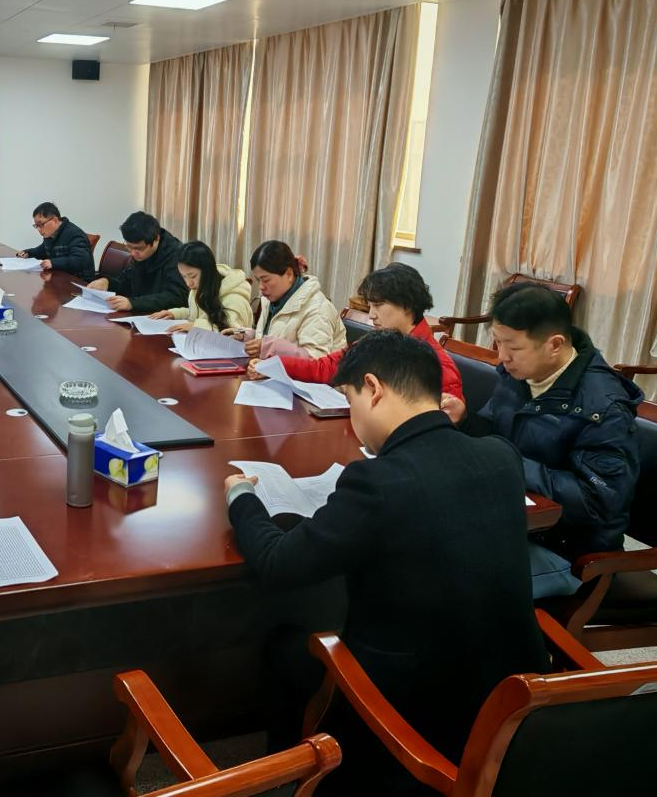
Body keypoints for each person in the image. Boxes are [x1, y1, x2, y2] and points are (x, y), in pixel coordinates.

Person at [225, 331, 548, 794]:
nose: (354, 419)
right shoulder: (500, 456)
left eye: (350, 401)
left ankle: (299, 779)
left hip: (414, 714)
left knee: (286, 645)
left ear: (374, 389)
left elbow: (278, 563)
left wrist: (241, 497)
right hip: (511, 702)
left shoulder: (377, 481)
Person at [442, 283, 643, 591]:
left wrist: (509, 463)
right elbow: (494, 433)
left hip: (573, 555)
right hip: (513, 525)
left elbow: (598, 502)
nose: (502, 357)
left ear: (555, 344)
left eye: (513, 348)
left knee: (450, 579)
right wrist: (465, 420)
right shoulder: (519, 375)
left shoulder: (604, 408)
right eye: (498, 343)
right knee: (424, 540)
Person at [258, 263, 463, 402]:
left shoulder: (438, 366)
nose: (371, 315)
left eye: (378, 305)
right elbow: (325, 368)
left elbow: (443, 422)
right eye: (370, 306)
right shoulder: (376, 342)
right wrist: (273, 365)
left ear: (407, 305)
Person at [224, 240, 345, 358]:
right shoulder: (273, 299)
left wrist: (268, 347)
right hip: (275, 370)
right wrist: (249, 337)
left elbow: (316, 361)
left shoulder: (318, 309)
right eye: (258, 280)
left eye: (266, 280)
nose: (260, 287)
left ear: (289, 274)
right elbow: (279, 335)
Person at [85, 211, 188, 313]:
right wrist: (107, 282)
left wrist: (133, 303)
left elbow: (176, 297)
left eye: (138, 248)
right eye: (129, 247)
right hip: (139, 314)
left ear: (156, 239)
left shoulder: (179, 256)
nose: (133, 254)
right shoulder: (141, 254)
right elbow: (127, 281)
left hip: (163, 318)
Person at [146, 240, 252, 333]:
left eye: (192, 276)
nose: (188, 283)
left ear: (207, 271)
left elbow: (233, 330)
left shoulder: (234, 297)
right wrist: (174, 313)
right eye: (184, 276)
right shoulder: (202, 286)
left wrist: (196, 326)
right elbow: (198, 314)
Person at [15, 202, 95, 278]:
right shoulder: (51, 234)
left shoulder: (74, 234)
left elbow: (80, 259)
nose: (39, 229)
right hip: (60, 278)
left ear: (55, 220)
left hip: (78, 282)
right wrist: (28, 253)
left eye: (41, 224)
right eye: (36, 226)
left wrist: (53, 263)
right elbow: (43, 250)